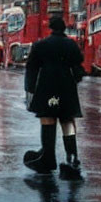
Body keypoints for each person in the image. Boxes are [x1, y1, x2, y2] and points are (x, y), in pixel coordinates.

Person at [23, 16, 85, 179]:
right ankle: (72, 158)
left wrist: (30, 89)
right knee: (67, 121)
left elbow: (31, 68)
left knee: (48, 119)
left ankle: (48, 158)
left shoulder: (40, 45)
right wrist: (76, 79)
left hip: (46, 86)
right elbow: (79, 63)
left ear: (50, 28)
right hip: (67, 86)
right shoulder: (71, 45)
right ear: (64, 29)